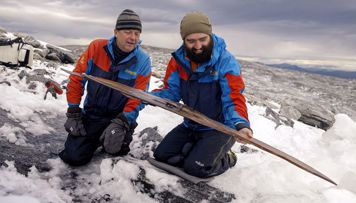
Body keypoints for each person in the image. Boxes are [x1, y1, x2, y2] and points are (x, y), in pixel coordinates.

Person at [152, 11, 253, 178]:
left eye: (202, 39)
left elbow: (233, 97)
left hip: (219, 128)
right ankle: (197, 148)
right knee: (163, 156)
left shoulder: (226, 62)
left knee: (196, 168)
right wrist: (148, 97)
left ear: (210, 36)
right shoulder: (179, 61)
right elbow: (172, 91)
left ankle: (228, 158)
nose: (198, 46)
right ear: (184, 40)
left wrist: (240, 125)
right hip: (191, 124)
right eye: (191, 41)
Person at [59, 9, 151, 166]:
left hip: (119, 118)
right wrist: (73, 111)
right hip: (92, 115)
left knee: (115, 151)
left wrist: (123, 121)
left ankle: (113, 137)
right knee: (73, 157)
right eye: (128, 32)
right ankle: (95, 138)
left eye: (137, 33)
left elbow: (139, 97)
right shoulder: (97, 48)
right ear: (116, 32)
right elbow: (77, 79)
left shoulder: (142, 60)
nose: (133, 38)